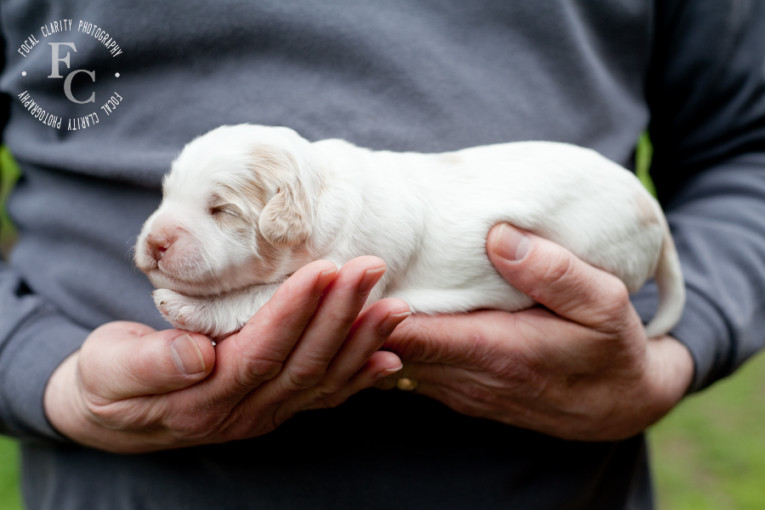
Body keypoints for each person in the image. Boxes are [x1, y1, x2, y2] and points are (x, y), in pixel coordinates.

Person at [1, 2, 765, 509]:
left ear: (285, 217)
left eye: (220, 210)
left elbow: (748, 144)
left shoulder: (335, 226)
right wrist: (33, 362)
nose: (159, 236)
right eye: (172, 196)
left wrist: (675, 348)